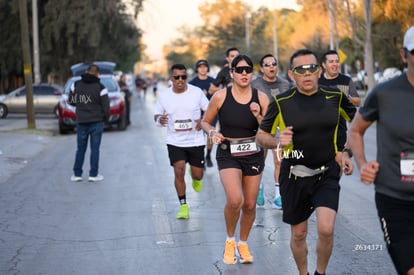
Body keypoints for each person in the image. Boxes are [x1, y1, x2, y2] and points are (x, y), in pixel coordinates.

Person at [256, 49, 356, 275]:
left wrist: (346, 151)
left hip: (326, 172)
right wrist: (278, 141)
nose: (307, 73)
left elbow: (357, 124)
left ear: (319, 71)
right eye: (300, 70)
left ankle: (320, 273)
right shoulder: (281, 102)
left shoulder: (335, 97)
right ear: (292, 75)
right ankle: (304, 273)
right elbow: (261, 137)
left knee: (326, 228)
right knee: (298, 233)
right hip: (294, 174)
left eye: (311, 68)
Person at [347, 26, 414, 275]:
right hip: (394, 199)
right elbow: (354, 131)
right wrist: (363, 164)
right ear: (404, 55)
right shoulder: (385, 93)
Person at [201, 54, 270, 265]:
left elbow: (269, 130)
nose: (243, 74)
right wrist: (212, 133)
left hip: (253, 153)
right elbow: (205, 122)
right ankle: (230, 240)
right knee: (235, 200)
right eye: (238, 70)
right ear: (231, 73)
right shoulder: (221, 96)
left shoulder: (262, 98)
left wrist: (258, 116)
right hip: (228, 151)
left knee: (249, 205)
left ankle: (243, 243)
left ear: (252, 72)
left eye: (247, 70)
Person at [153, 63, 209, 219]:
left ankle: (195, 175)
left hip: (196, 141)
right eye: (177, 77)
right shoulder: (164, 96)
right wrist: (160, 119)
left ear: (186, 77)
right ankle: (183, 205)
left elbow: (209, 109)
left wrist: (203, 120)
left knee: (198, 175)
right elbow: (157, 115)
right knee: (178, 170)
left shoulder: (196, 92)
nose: (180, 80)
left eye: (183, 77)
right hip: (175, 141)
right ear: (171, 78)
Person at [251, 53, 291, 209]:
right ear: (262, 68)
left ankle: (278, 195)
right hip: (262, 126)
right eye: (267, 65)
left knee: (279, 160)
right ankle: (259, 189)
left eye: (273, 64)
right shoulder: (255, 85)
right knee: (260, 159)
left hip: (281, 125)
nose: (271, 67)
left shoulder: (285, 84)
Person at [68, 64, 110, 182]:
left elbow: (70, 100)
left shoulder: (76, 85)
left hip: (81, 121)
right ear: (98, 74)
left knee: (80, 148)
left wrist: (82, 103)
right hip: (96, 121)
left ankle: (77, 174)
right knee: (95, 149)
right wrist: (106, 120)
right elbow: (106, 107)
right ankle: (93, 174)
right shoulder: (101, 87)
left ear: (86, 72)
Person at [319, 50, 360, 153]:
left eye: (337, 61)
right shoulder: (317, 82)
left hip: (340, 132)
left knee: (338, 166)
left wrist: (343, 99)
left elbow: (357, 101)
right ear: (324, 65)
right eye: (331, 61)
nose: (335, 64)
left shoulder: (346, 80)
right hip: (320, 133)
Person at [189, 59, 216, 168]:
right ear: (197, 69)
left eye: (205, 67)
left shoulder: (213, 81)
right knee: (199, 136)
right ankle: (200, 159)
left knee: (211, 134)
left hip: (211, 112)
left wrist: (213, 91)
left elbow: (220, 91)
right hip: (197, 113)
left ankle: (208, 155)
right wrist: (200, 95)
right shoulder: (192, 83)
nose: (203, 69)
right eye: (200, 67)